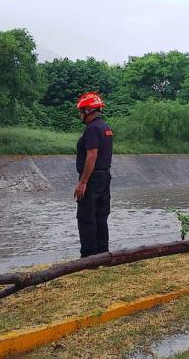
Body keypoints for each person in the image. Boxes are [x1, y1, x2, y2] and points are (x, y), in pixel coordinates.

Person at [74, 92, 113, 257]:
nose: (80, 115)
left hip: (91, 179)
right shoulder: (105, 127)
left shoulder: (92, 129)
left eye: (81, 111)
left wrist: (83, 182)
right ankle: (103, 253)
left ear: (89, 111)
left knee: (86, 217)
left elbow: (92, 155)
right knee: (101, 216)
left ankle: (88, 256)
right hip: (104, 177)